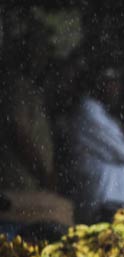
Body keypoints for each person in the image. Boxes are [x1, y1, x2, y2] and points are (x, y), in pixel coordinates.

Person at [68, 62, 124, 223]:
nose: (115, 88)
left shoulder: (104, 115)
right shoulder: (89, 112)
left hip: (119, 200)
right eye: (110, 82)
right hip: (104, 200)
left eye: (117, 82)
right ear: (97, 83)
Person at [0, 22, 56, 193]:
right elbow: (19, 133)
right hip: (19, 188)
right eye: (40, 48)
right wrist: (44, 175)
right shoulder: (17, 87)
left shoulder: (28, 88)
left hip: (30, 186)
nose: (44, 54)